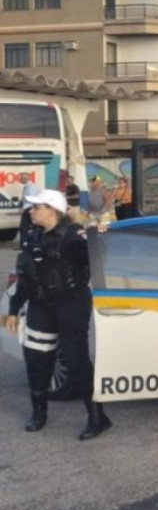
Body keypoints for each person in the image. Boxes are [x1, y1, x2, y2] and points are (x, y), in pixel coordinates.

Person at [4, 189, 112, 440]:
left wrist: (98, 239)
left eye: (37, 207)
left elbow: (97, 257)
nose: (31, 211)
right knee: (36, 361)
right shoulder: (33, 237)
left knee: (76, 361)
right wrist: (13, 310)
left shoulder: (74, 235)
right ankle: (39, 414)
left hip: (71, 304)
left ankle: (98, 418)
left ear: (52, 210)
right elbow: (25, 279)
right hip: (40, 307)